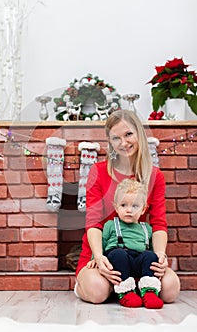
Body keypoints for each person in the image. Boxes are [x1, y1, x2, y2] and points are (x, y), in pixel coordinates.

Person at [75, 109, 180, 304]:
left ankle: (128, 286)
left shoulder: (154, 175)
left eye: (128, 134)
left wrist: (160, 256)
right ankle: (100, 285)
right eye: (116, 138)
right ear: (110, 142)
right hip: (104, 252)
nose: (123, 143)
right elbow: (94, 223)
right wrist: (98, 257)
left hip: (139, 255)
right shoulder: (97, 171)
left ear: (139, 133)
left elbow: (158, 224)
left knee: (171, 290)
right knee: (97, 292)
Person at [88, 178, 164, 309]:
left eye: (135, 206)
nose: (129, 210)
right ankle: (126, 292)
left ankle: (149, 292)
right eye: (124, 205)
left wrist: (159, 259)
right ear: (116, 207)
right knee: (118, 254)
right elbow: (102, 242)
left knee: (150, 256)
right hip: (118, 261)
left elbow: (151, 249)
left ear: (143, 209)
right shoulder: (111, 225)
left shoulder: (146, 228)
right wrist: (95, 258)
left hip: (137, 261)